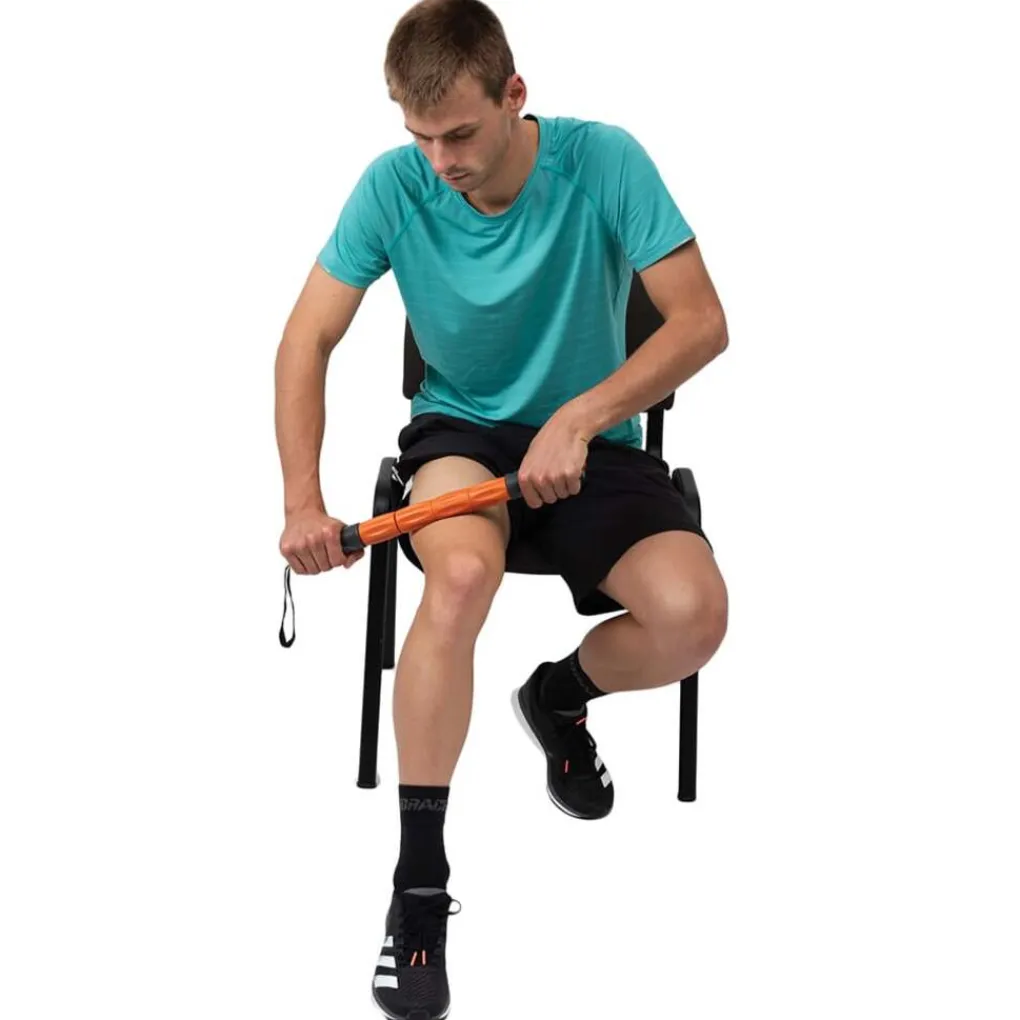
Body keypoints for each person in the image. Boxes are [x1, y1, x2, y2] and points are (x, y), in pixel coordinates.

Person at [274, 1, 729, 1016]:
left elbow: (702, 323)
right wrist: (303, 498)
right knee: (463, 575)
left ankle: (559, 697)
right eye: (420, 137)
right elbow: (306, 338)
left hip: (593, 443)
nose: (440, 161)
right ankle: (418, 888)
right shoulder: (394, 186)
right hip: (462, 438)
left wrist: (585, 415)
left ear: (515, 94)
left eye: (460, 134)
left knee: (694, 617)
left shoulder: (605, 161)